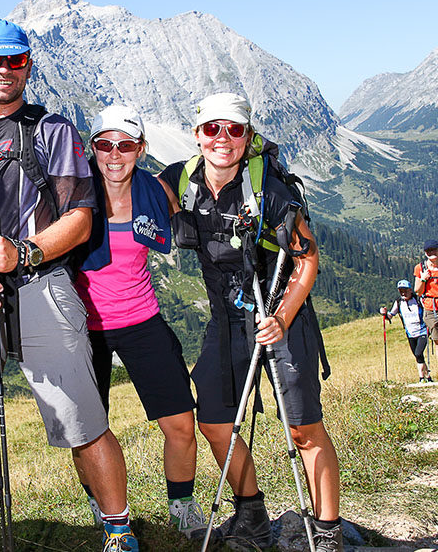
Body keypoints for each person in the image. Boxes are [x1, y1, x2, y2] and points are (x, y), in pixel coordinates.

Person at [0, 20, 139, 552]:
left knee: (81, 418)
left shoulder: (52, 130)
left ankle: (118, 528)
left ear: (27, 68)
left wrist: (25, 252)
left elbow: (81, 217)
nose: (1, 70)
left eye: (13, 61)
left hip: (41, 282)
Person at [158, 93, 342, 552]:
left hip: (280, 315)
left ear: (247, 136)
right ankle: (252, 513)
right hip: (225, 317)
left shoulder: (268, 190)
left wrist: (281, 317)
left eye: (234, 130)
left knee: (302, 428)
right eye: (212, 129)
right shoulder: (178, 180)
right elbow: (128, 199)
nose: (223, 139)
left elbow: (307, 255)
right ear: (197, 133)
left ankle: (328, 531)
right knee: (216, 421)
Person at [73, 105, 205, 538]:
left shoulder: (157, 192)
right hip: (81, 328)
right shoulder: (72, 191)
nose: (114, 154)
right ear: (91, 149)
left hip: (141, 318)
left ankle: (182, 503)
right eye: (104, 144)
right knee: (86, 430)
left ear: (141, 150)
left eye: (125, 145)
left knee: (181, 423)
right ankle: (100, 501)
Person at [382, 280, 431, 382]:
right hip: (410, 333)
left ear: (410, 290)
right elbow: (391, 315)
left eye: (404, 290)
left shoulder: (418, 300)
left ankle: (421, 378)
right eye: (400, 291)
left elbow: (428, 310)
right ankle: (428, 377)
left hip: (422, 331)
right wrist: (384, 314)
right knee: (418, 356)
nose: (403, 293)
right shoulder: (399, 302)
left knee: (418, 353)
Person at [414, 239, 438, 347]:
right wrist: (423, 279)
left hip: (432, 307)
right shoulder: (420, 268)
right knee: (437, 341)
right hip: (431, 309)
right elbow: (418, 291)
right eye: (428, 251)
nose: (431, 253)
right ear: (425, 253)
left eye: (434, 250)